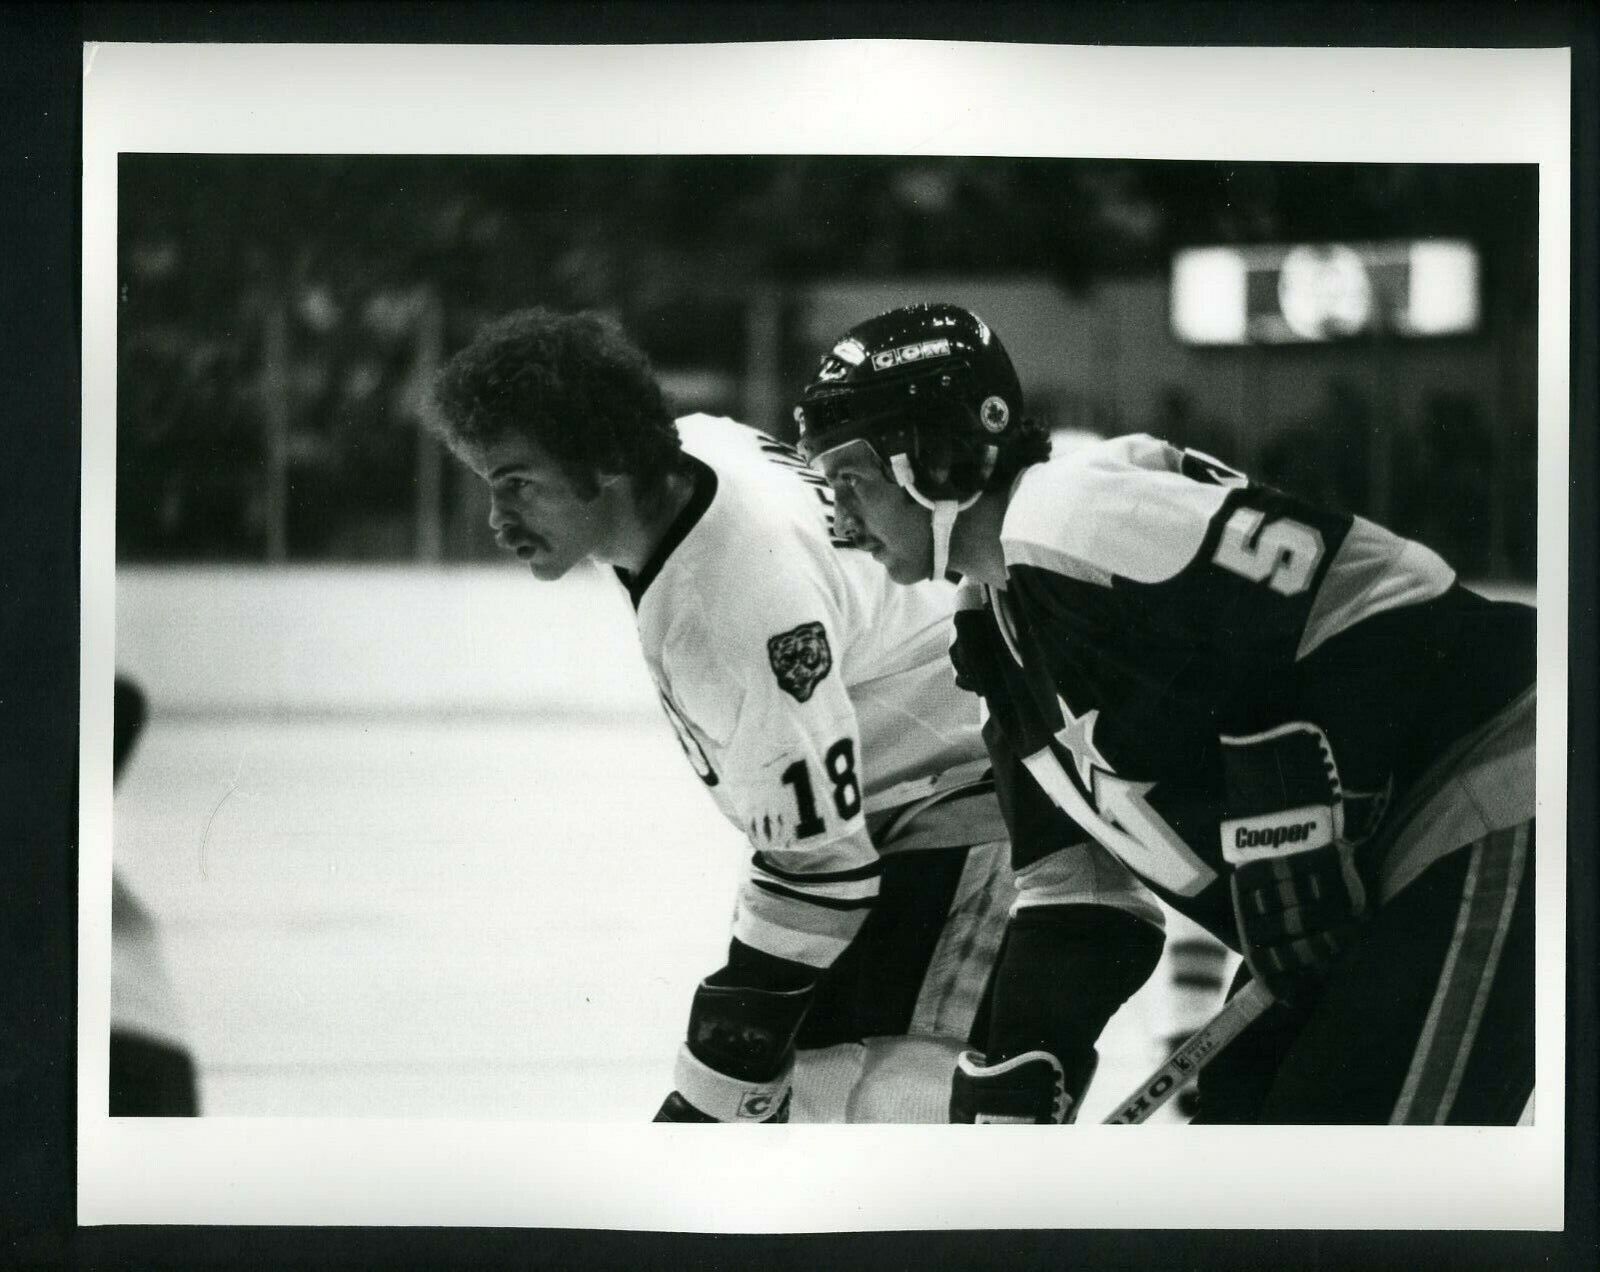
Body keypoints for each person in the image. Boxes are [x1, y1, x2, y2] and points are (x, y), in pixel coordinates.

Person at [795, 302, 1534, 1125]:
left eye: (851, 481)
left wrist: (1285, 820)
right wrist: (1022, 1058)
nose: (844, 519)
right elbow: (1072, 890)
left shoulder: (1067, 514)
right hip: (1376, 878)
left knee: (1364, 1190)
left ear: (933, 458)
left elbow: (1397, 589)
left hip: (1491, 792)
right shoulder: (992, 632)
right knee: (1241, 1142)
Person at [425, 308, 1163, 1123]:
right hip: (943, 800)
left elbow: (823, 868)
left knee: (879, 1111)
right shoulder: (696, 444)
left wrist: (715, 1078)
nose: (498, 520)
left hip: (982, 808)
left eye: (516, 484)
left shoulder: (737, 594)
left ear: (602, 461)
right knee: (809, 1109)